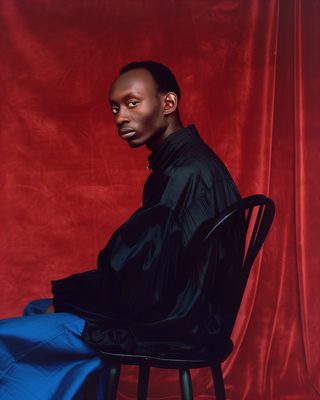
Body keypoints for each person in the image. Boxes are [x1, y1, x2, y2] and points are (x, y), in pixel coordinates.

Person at [0, 61, 241, 399]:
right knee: (35, 312)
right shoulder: (190, 162)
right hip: (191, 316)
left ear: (168, 103)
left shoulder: (182, 174)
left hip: (175, 324)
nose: (120, 117)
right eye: (115, 108)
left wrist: (69, 297)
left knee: (7, 337)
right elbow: (147, 267)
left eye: (132, 103)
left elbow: (140, 280)